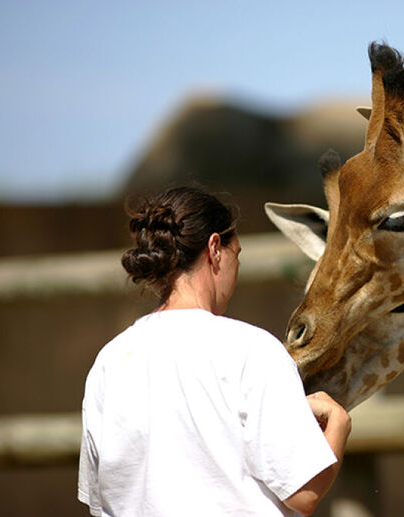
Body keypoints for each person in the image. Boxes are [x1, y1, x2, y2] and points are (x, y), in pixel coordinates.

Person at [78, 186, 351, 516]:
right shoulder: (253, 350)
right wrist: (338, 422)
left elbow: (103, 499)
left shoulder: (109, 361)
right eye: (237, 254)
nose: (236, 269)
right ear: (215, 249)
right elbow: (304, 492)